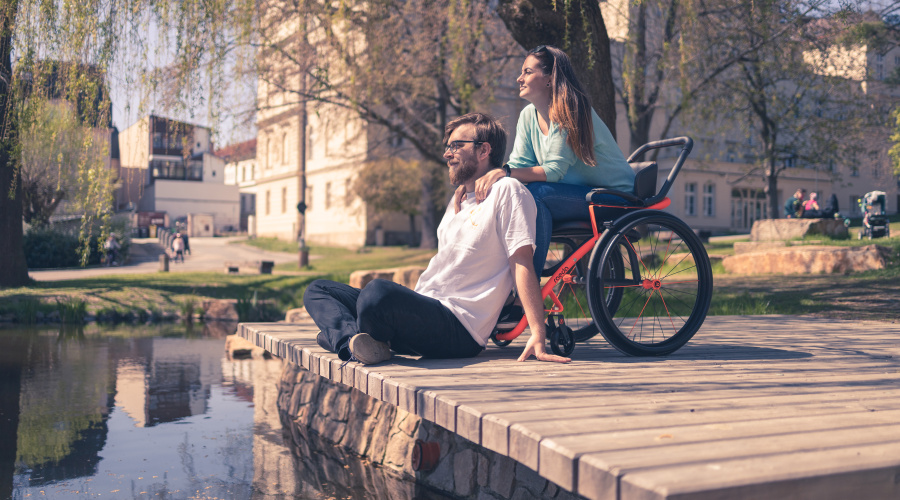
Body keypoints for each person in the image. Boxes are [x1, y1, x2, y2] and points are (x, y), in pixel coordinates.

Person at [303, 113, 570, 365]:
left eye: (456, 145)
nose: (447, 154)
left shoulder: (508, 192)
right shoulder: (457, 201)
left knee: (376, 293)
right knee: (319, 290)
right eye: (448, 146)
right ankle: (354, 342)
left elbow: (522, 261)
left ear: (483, 150)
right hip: (426, 308)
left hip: (460, 327)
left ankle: (345, 335)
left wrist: (538, 332)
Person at [454, 45, 635, 279]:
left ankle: (526, 288)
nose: (519, 78)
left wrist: (503, 173)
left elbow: (554, 171)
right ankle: (495, 283)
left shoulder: (570, 109)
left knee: (537, 194)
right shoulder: (528, 116)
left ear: (550, 79)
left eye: (527, 72)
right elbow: (518, 165)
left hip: (615, 196)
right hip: (582, 194)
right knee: (513, 193)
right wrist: (476, 183)